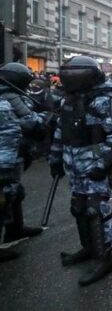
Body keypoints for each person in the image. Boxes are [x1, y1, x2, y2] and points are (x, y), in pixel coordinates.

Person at [49, 56, 112, 285]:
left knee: (96, 210)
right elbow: (60, 129)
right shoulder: (70, 98)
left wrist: (103, 163)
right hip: (73, 161)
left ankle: (105, 258)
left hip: (94, 163)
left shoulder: (107, 98)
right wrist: (55, 158)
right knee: (79, 207)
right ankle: (88, 248)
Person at [0, 63, 48, 261]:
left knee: (14, 192)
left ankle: (15, 229)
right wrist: (48, 117)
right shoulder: (9, 97)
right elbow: (30, 121)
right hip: (5, 157)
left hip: (12, 154)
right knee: (3, 196)